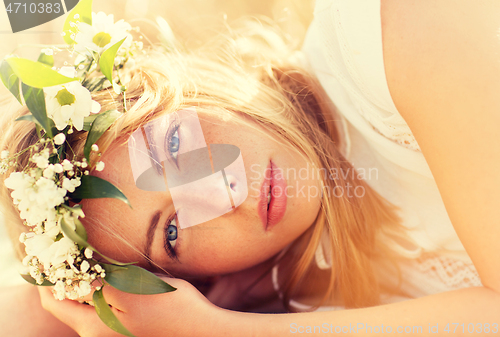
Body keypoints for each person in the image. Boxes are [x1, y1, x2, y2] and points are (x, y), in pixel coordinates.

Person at [1, 0, 500, 336]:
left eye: (174, 142)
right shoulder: (288, 282)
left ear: (187, 83)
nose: (223, 191)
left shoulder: (402, 34)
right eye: (172, 231)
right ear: (193, 281)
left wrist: (216, 330)